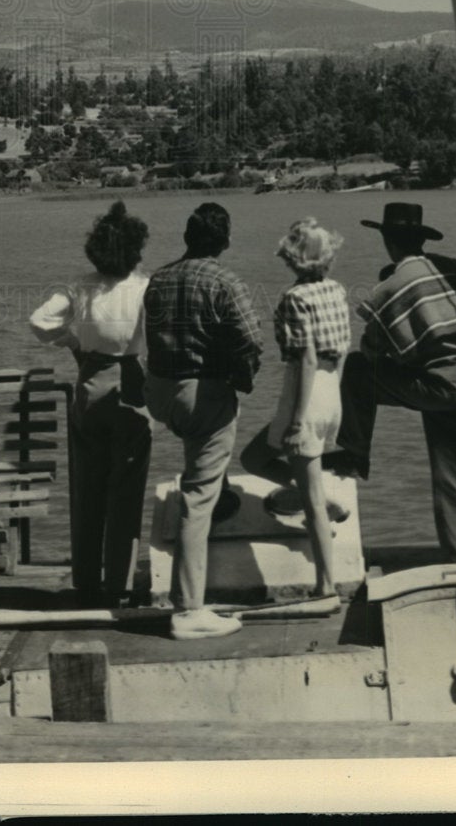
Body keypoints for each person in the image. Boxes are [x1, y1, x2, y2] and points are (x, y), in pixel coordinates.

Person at [328, 202, 456, 566]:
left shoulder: (392, 286)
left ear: (388, 241)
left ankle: (354, 453)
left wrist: (409, 350)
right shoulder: (452, 268)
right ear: (421, 239)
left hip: (439, 384)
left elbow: (370, 352)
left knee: (356, 371)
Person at [142, 202, 266, 641]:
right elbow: (252, 339)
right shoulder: (225, 280)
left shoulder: (157, 278)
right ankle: (189, 609)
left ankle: (223, 493)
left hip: (158, 394)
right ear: (225, 241)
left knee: (204, 461)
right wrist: (243, 378)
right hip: (201, 396)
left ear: (187, 237)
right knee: (197, 495)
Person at [29, 201, 153, 607]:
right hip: (132, 387)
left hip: (91, 383)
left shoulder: (79, 287)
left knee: (89, 485)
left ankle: (85, 577)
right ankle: (118, 582)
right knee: (127, 487)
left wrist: (75, 343)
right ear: (135, 249)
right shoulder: (145, 288)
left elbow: (39, 322)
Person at [238, 218, 351, 601]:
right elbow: (344, 348)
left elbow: (303, 360)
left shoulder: (294, 299)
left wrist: (299, 419)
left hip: (303, 392)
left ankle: (326, 584)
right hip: (331, 389)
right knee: (255, 457)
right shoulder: (336, 291)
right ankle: (316, 494)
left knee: (309, 500)